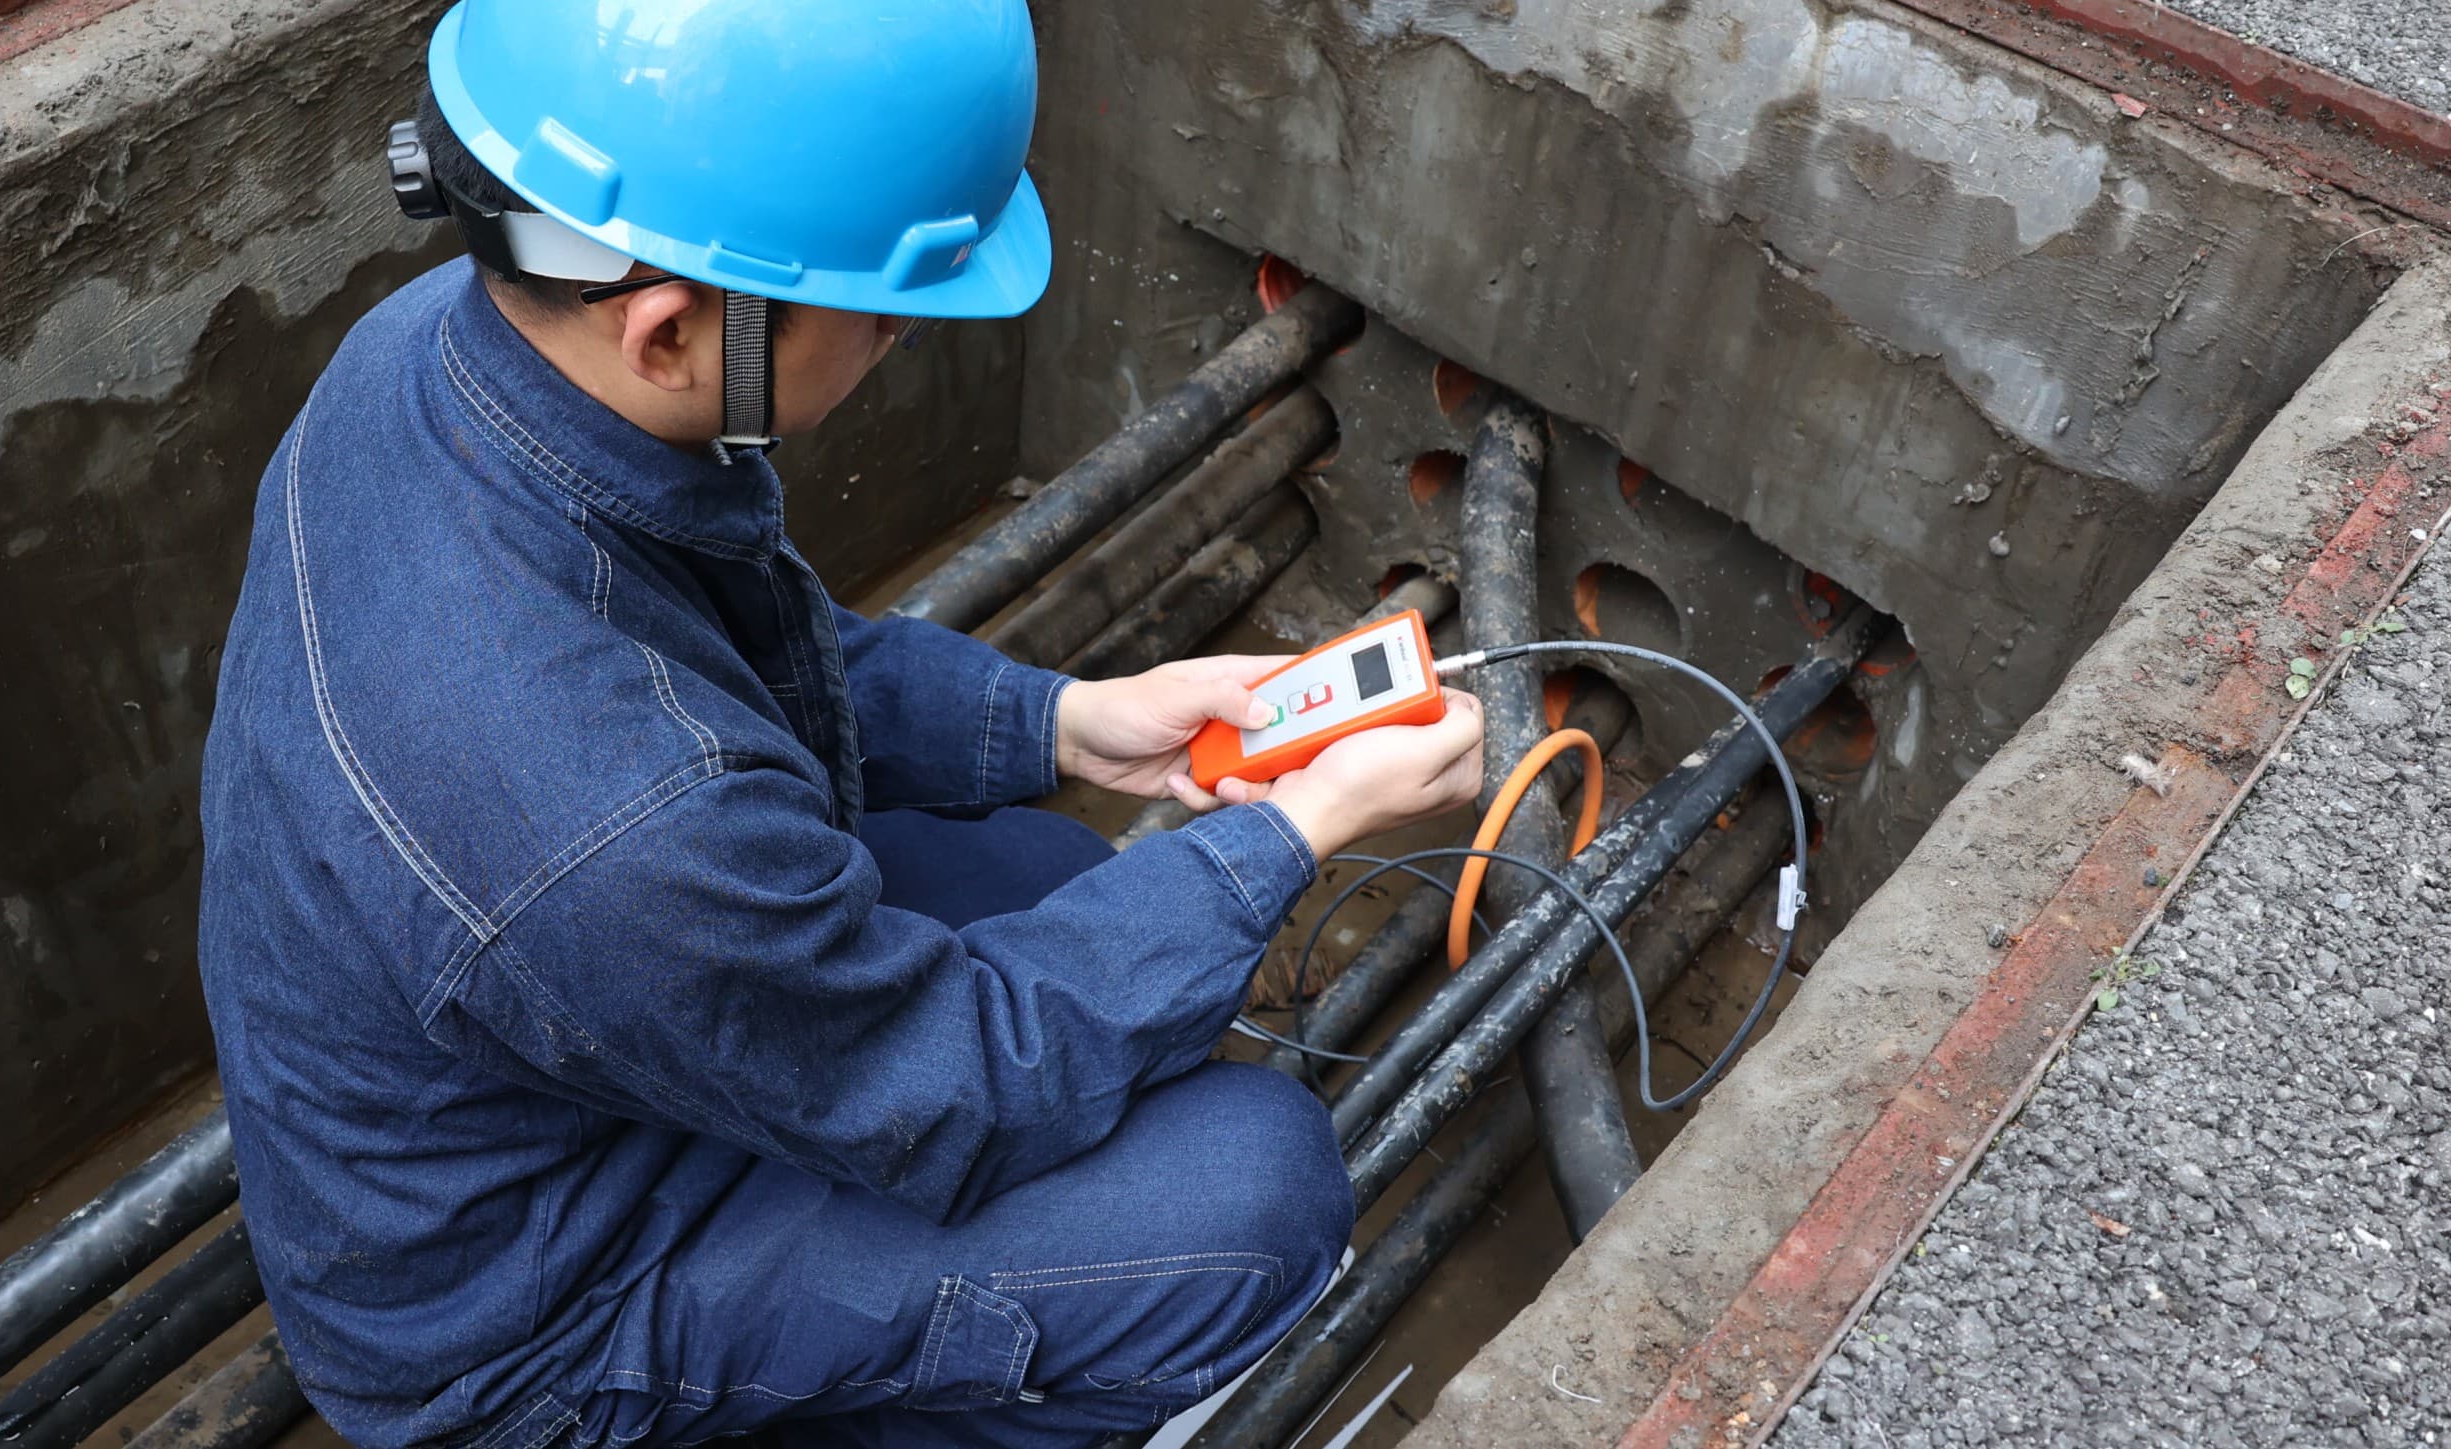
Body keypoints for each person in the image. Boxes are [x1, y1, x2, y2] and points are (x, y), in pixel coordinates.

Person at [196, 1, 1485, 1444]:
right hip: (525, 1323)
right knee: (1252, 1196)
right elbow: (958, 1077)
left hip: (537, 1057)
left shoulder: (438, 354)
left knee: (1052, 887)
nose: (893, 342)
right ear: (675, 326)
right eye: (880, 313)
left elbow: (733, 665)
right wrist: (1294, 833)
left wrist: (1068, 721)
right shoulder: (612, 824)